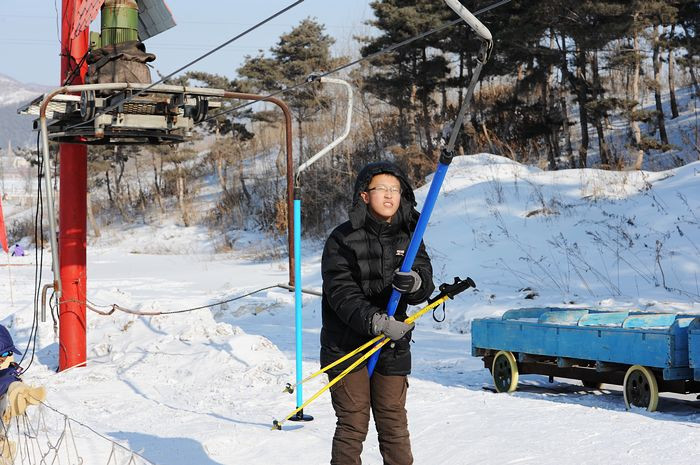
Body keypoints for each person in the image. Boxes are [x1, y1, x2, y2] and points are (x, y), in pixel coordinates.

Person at [321, 161, 435, 465]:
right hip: (346, 346)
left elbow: (425, 281)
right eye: (381, 189)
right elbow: (340, 292)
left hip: (392, 345)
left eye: (395, 189)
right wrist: (376, 321)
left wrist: (415, 283)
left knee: (394, 423)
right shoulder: (341, 238)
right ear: (364, 195)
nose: (389, 195)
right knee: (352, 424)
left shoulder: (410, 235)